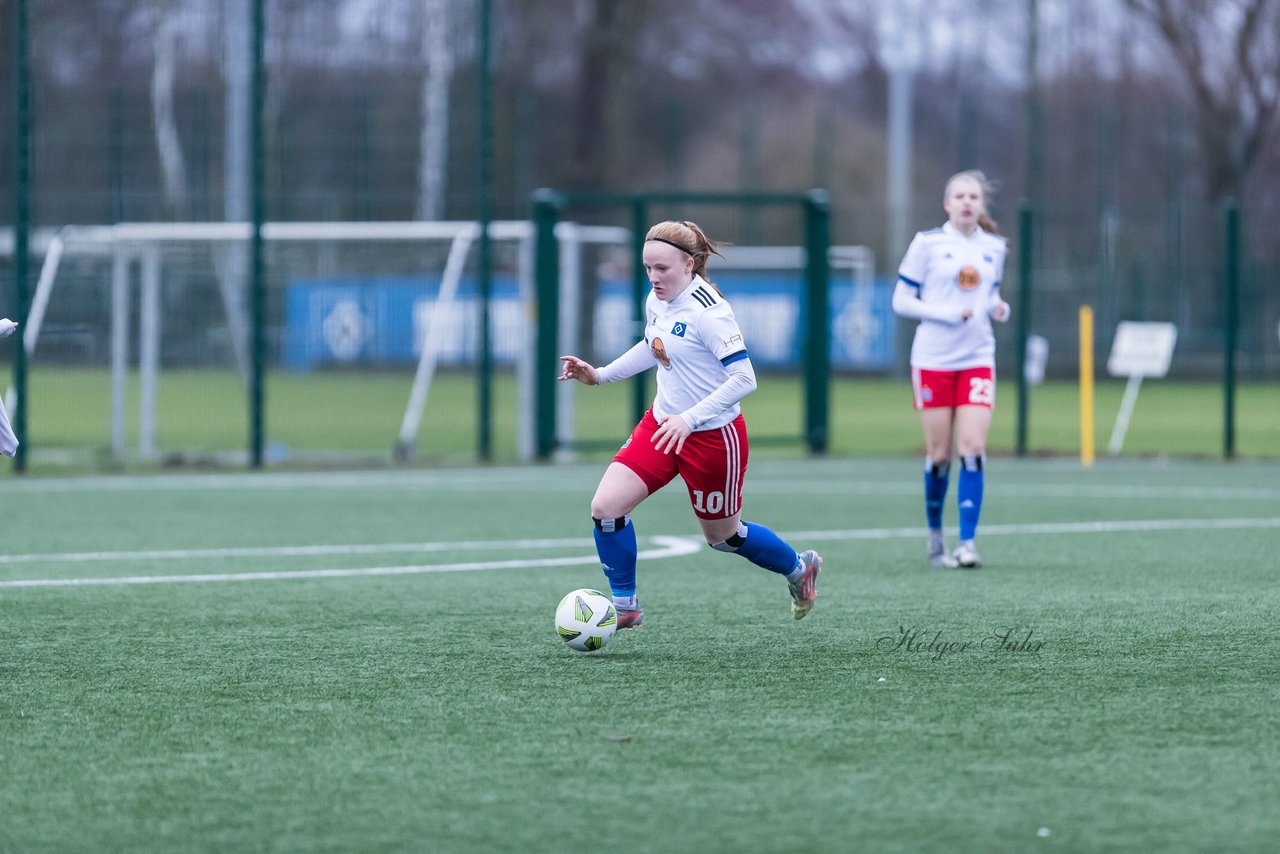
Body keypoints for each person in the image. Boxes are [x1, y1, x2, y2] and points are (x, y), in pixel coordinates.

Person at [559, 220, 822, 628]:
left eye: (662, 269)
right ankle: (626, 606)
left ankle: (798, 569)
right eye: (647, 268)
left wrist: (691, 418)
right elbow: (654, 345)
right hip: (662, 425)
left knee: (725, 537)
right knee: (606, 508)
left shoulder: (709, 313)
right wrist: (600, 374)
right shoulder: (657, 300)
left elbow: (745, 378)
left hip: (714, 438)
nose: (653, 277)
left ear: (689, 264)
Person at [892, 171, 1010, 569]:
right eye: (958, 195)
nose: (966, 202)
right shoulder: (928, 244)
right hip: (933, 360)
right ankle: (935, 537)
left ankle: (969, 543)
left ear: (981, 204)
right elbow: (902, 301)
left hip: (977, 357)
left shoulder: (995, 247)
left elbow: (989, 293)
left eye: (973, 196)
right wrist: (945, 313)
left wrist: (997, 306)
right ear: (947, 203)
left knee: (972, 448)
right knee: (940, 454)